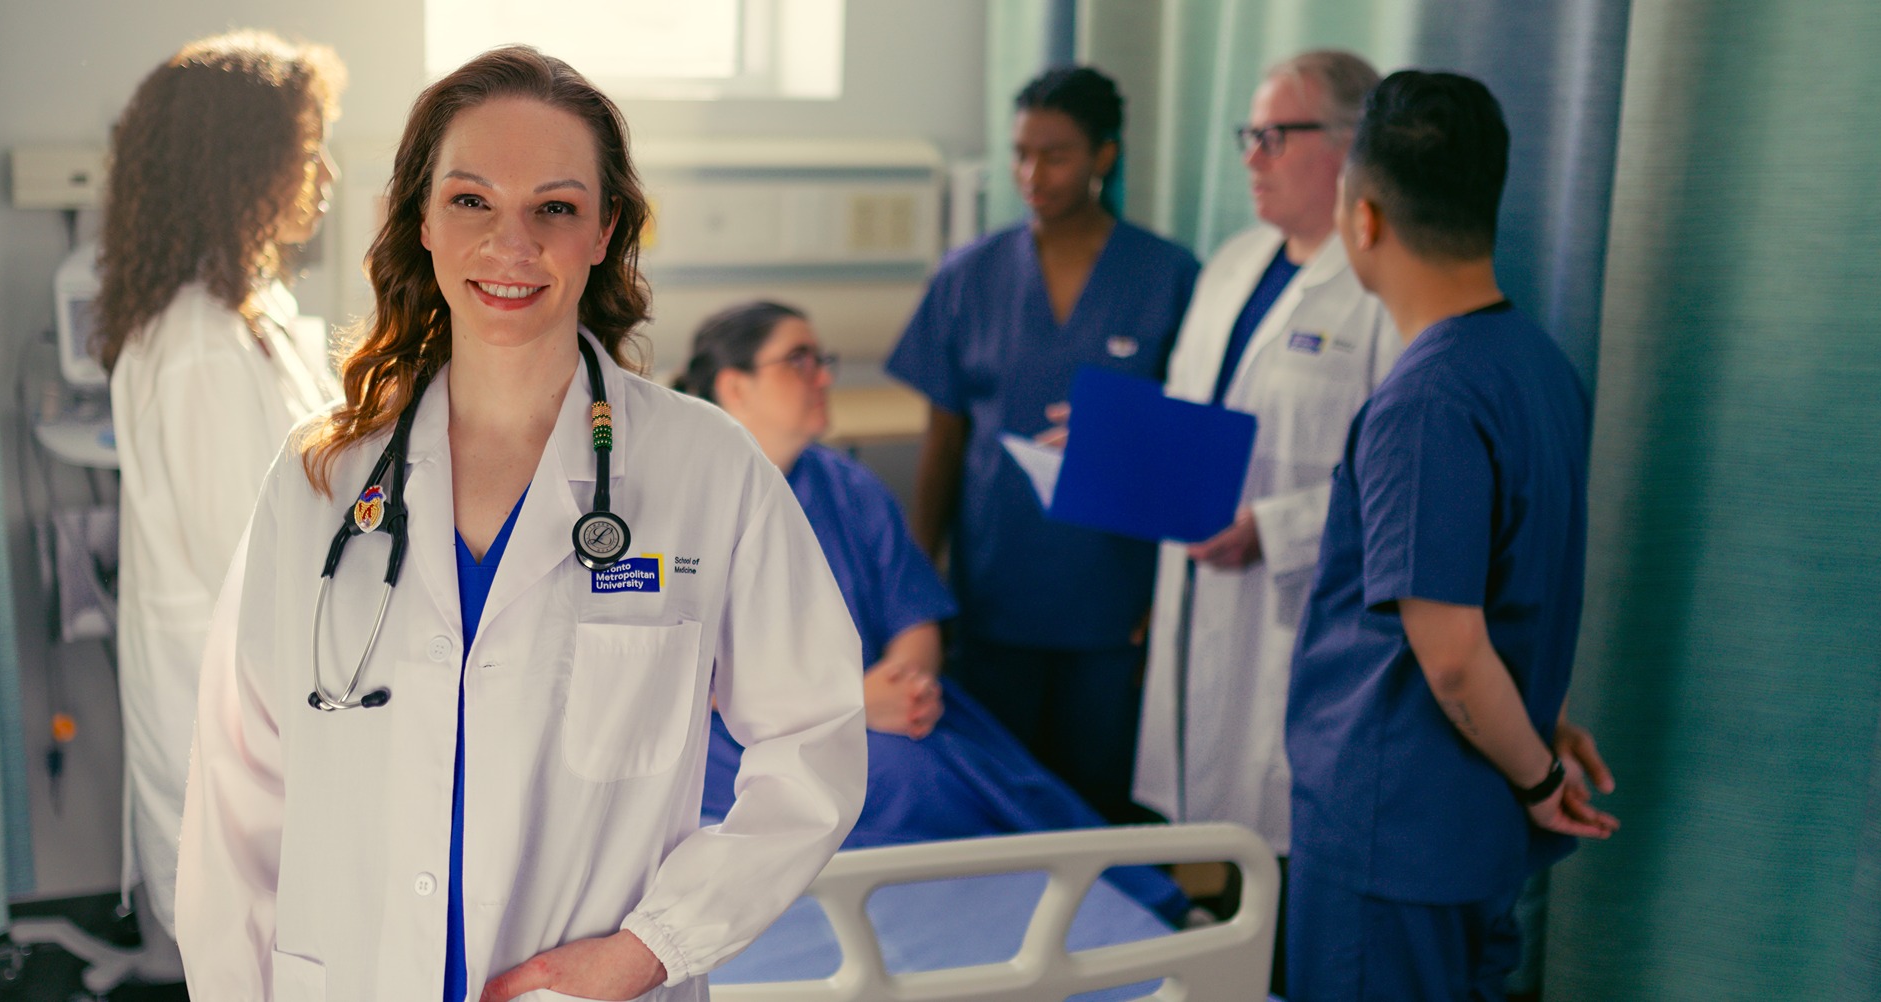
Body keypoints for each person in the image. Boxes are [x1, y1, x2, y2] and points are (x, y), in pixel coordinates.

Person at [174, 48, 866, 1002]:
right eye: (471, 201)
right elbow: (237, 800)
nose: (512, 244)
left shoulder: (708, 470)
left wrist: (651, 948)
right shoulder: (319, 482)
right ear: (421, 218)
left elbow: (814, 744)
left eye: (555, 207)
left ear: (603, 231)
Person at [677, 302, 1189, 920]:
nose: (824, 376)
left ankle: (1143, 908)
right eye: (799, 360)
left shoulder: (848, 485)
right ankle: (1039, 915)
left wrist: (910, 685)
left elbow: (914, 616)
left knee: (1011, 780)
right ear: (736, 385)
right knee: (911, 778)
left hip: (896, 707)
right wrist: (849, 703)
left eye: (823, 359)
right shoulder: (687, 500)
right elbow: (680, 669)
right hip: (752, 732)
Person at [1281, 71, 1618, 1002]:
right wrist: (1537, 730)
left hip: (1393, 844)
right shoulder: (1540, 367)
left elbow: (1457, 657)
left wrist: (1541, 773)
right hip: (1466, 844)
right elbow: (1503, 591)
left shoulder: (1425, 403)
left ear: (1365, 218)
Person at [1127, 50, 1398, 988]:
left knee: (1281, 859)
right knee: (1203, 840)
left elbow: (1395, 482)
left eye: (1274, 136)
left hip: (1293, 621)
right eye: (1249, 135)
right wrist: (1121, 444)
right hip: (1198, 597)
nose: (1253, 156)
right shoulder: (1231, 269)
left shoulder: (1377, 292)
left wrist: (1275, 530)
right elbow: (1196, 424)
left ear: (1352, 144)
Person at [887, 66, 1201, 822]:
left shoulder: (1167, 277)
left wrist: (1171, 597)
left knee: (1097, 799)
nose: (1031, 175)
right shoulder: (971, 276)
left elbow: (1190, 453)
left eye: (1055, 154)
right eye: (1021, 153)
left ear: (1105, 156)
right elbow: (945, 439)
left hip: (1112, 597)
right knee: (996, 796)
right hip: (996, 587)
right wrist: (919, 581)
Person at [100, 29, 345, 944]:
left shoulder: (255, 310)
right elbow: (249, 564)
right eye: (305, 152)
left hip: (279, 713)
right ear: (238, 166)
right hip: (246, 725)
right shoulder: (200, 345)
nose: (323, 177)